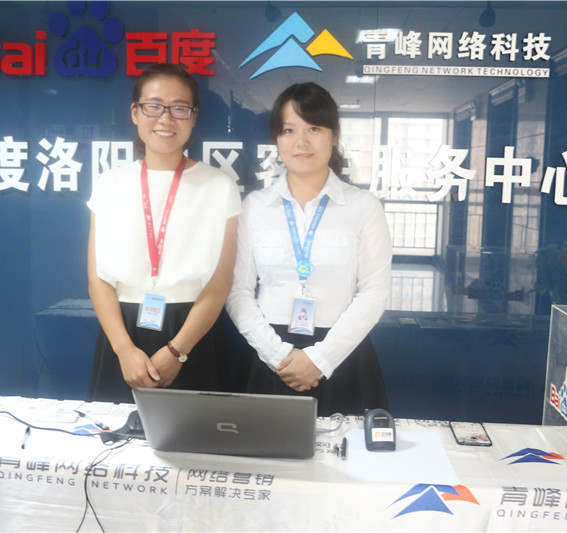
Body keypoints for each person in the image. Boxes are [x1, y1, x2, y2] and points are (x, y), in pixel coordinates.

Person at [225, 83, 392, 416]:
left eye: (313, 128)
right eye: (289, 130)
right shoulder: (254, 206)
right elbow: (236, 291)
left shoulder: (363, 206)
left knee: (347, 449)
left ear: (334, 135)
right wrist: (279, 356)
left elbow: (375, 290)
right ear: (277, 139)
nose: (300, 142)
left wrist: (320, 359)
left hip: (343, 356)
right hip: (271, 357)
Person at [86, 63, 240, 404]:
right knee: (114, 434)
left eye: (179, 108)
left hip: (192, 333)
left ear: (193, 117)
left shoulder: (219, 186)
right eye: (153, 106)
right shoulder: (110, 184)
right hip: (122, 333)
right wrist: (124, 350)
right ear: (135, 112)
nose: (165, 119)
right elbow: (97, 279)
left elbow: (220, 283)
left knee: (195, 436)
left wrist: (178, 351)